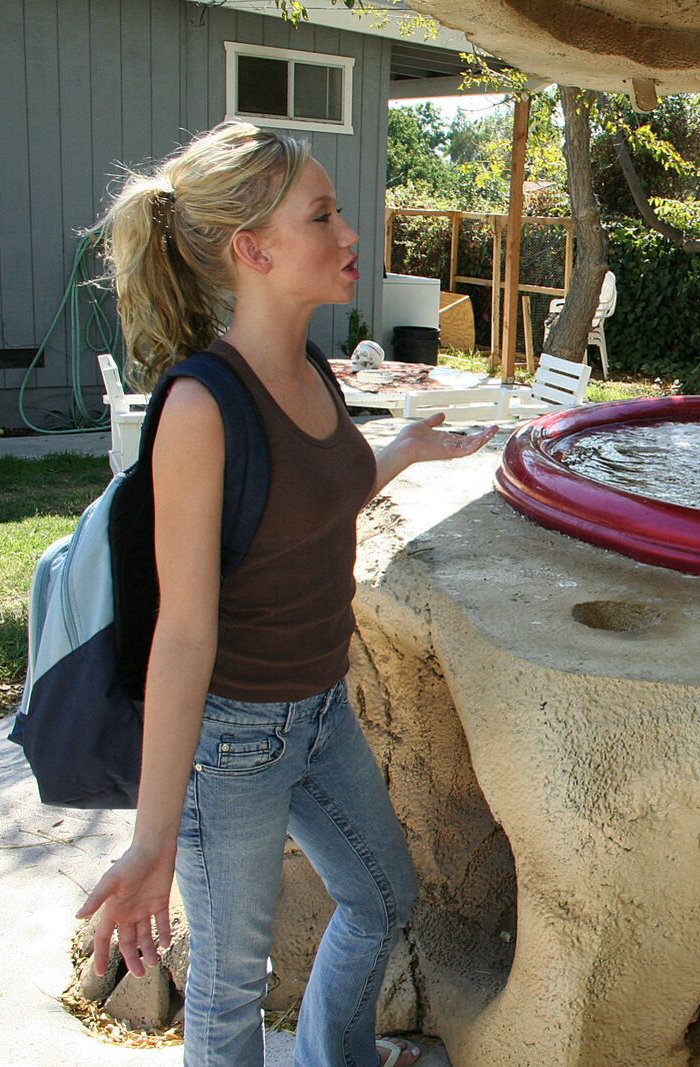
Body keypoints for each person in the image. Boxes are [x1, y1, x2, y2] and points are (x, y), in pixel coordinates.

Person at [75, 122, 497, 1067]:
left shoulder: (312, 369)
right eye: (322, 215)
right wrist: (151, 840)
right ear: (252, 251)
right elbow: (183, 635)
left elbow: (303, 506)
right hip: (230, 740)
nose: (349, 233)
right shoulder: (199, 408)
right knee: (227, 989)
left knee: (383, 894)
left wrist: (399, 455)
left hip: (317, 710)